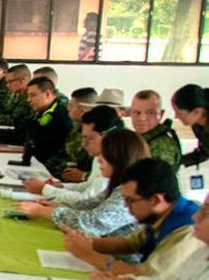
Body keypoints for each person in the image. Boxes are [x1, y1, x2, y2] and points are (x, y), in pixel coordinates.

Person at [64, 158, 203, 278]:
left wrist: (89, 255)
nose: (125, 205)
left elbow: (144, 277)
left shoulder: (187, 229)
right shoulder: (162, 213)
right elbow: (129, 244)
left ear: (155, 200)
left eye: (131, 200)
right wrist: (86, 243)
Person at [17, 128, 147, 237]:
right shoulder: (120, 186)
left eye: (104, 154)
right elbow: (90, 205)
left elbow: (93, 223)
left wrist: (43, 211)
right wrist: (57, 206)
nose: (98, 159)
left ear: (120, 158)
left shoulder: (130, 194)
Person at [23, 105, 123, 206]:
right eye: (83, 138)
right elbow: (89, 186)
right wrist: (61, 186)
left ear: (105, 135)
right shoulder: (100, 156)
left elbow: (87, 200)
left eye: (88, 139)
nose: (84, 144)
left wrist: (44, 189)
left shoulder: (114, 161)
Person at [0, 76, 71, 174]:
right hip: (40, 163)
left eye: (33, 95)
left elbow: (33, 137)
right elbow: (27, 130)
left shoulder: (56, 114)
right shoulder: (47, 109)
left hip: (52, 168)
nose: (28, 100)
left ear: (47, 94)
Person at [129, 89, 183, 170]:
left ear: (161, 114)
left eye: (150, 113)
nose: (142, 118)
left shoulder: (162, 145)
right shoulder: (138, 138)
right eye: (137, 112)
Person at [0, 64, 33, 134]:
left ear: (22, 81)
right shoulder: (18, 95)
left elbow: (14, 121)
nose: (7, 85)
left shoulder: (29, 98)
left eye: (10, 82)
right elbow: (7, 111)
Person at [61, 88, 99, 177]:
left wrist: (83, 176)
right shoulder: (76, 127)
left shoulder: (97, 131)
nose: (68, 109)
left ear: (83, 109)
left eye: (71, 106)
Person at [172, 84, 209, 168]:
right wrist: (177, 160)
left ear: (196, 112)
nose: (176, 117)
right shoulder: (198, 126)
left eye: (179, 113)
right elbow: (205, 152)